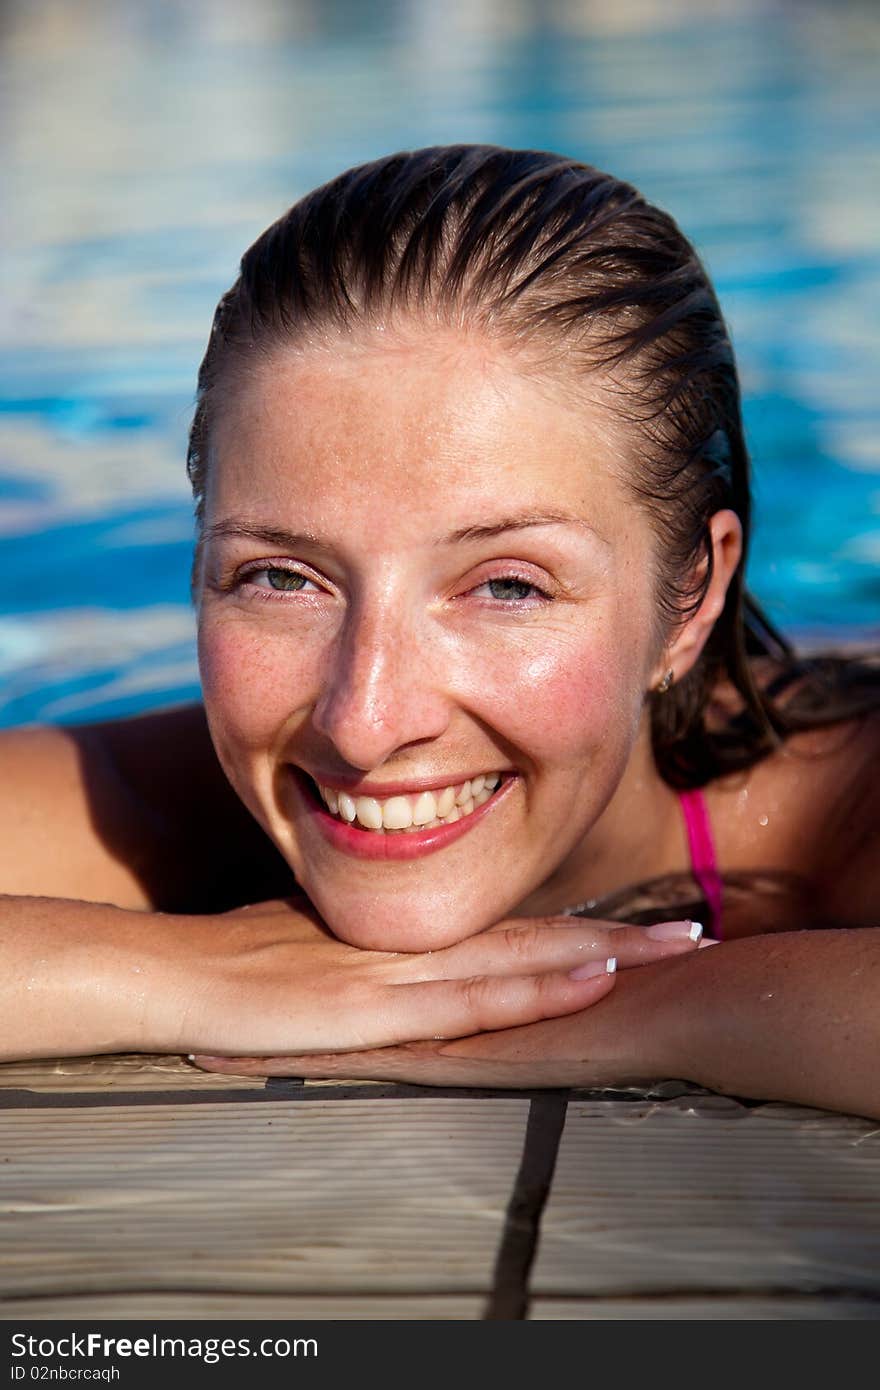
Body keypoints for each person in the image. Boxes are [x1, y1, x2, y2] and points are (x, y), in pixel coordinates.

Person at [1, 145, 877, 1119]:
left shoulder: (835, 812)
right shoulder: (191, 796)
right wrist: (196, 971)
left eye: (505, 587)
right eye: (281, 577)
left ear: (691, 596)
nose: (365, 722)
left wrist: (668, 1005)